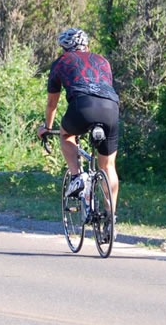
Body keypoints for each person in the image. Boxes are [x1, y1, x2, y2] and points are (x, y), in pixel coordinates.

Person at [36, 27, 120, 222]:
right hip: (111, 108)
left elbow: (52, 103)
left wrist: (47, 127)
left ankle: (77, 176)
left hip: (82, 106)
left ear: (63, 48)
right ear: (87, 45)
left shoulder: (60, 63)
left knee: (66, 135)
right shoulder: (102, 60)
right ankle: (110, 217)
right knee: (108, 166)